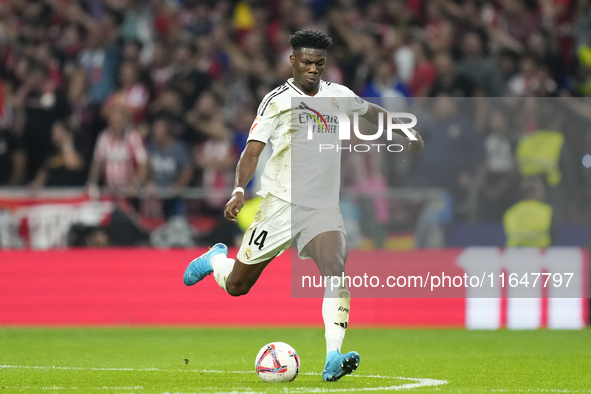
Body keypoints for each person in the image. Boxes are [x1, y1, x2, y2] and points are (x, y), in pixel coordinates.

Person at [182, 30, 424, 382]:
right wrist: (237, 189)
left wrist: (405, 132)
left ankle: (333, 355)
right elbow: (252, 152)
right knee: (237, 285)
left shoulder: (338, 95)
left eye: (320, 63)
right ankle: (216, 259)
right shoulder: (276, 101)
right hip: (281, 205)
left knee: (336, 269)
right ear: (293, 61)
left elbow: (370, 111)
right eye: (307, 62)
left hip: (322, 209)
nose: (313, 69)